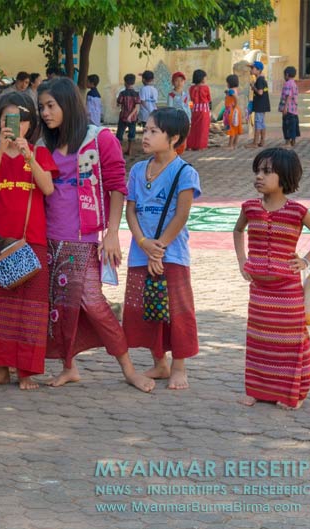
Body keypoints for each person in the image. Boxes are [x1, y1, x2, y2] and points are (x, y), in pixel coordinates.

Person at [37, 78, 154, 392]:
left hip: (84, 238)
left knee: (93, 301)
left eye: (51, 105)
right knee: (59, 305)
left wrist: (113, 233)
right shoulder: (43, 143)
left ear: (68, 104)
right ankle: (69, 366)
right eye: (42, 107)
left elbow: (117, 186)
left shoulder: (98, 138)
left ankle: (128, 368)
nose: (45, 113)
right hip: (48, 237)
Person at [233, 148, 310, 409]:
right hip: (259, 291)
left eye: (267, 171)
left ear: (285, 176)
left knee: (289, 342)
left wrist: (306, 260)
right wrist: (242, 260)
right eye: (257, 171)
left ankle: (289, 393)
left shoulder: (297, 211)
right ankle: (255, 389)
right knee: (258, 340)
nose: (259, 176)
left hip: (287, 291)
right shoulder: (250, 208)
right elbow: (237, 230)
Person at [0, 93, 57, 390]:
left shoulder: (40, 154)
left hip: (31, 240)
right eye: (9, 119)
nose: (15, 125)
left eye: (21, 119)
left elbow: (47, 188)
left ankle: (27, 371)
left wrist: (28, 156)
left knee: (31, 308)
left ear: (28, 124)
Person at [123, 107, 200, 390]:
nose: (146, 134)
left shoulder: (185, 172)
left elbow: (181, 215)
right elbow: (130, 211)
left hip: (173, 253)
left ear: (174, 137)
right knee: (148, 308)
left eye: (154, 131)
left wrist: (160, 249)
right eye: (146, 128)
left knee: (177, 311)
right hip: (141, 251)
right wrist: (144, 244)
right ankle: (160, 362)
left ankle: (179, 366)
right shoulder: (137, 170)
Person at [245, 61, 270, 148]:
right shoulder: (262, 80)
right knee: (262, 123)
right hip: (263, 105)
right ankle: (262, 141)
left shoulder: (259, 80)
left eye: (252, 68)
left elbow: (260, 92)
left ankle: (255, 143)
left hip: (260, 106)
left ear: (258, 70)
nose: (250, 70)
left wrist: (253, 87)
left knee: (258, 123)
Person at [116, 73, 140, 156]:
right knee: (132, 134)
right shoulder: (136, 94)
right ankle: (129, 150)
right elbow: (136, 107)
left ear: (125, 82)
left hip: (123, 116)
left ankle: (119, 150)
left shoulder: (122, 93)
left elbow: (118, 103)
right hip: (133, 118)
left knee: (120, 134)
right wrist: (131, 116)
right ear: (133, 83)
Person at [186, 69, 211, 150]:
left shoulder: (191, 88)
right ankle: (201, 146)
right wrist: (210, 110)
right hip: (204, 110)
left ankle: (191, 145)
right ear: (202, 78)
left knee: (194, 128)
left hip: (195, 110)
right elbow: (209, 99)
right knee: (203, 128)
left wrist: (191, 109)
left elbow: (190, 100)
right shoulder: (206, 87)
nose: (205, 79)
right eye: (205, 77)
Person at [167, 71, 190, 155]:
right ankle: (175, 149)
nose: (179, 83)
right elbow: (170, 107)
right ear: (173, 82)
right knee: (176, 134)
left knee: (184, 133)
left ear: (184, 82)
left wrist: (189, 118)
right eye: (177, 80)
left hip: (185, 117)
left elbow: (187, 106)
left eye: (181, 80)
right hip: (175, 118)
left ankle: (182, 148)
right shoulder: (171, 95)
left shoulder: (186, 94)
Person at [280, 66, 300, 147]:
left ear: (287, 75)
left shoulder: (287, 84)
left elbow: (288, 95)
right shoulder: (294, 84)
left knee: (287, 125)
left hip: (288, 109)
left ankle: (287, 142)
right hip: (294, 110)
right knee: (293, 125)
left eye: (284, 75)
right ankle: (293, 141)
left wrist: (285, 107)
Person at [223, 74, 244, 149]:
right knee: (236, 127)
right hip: (236, 109)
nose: (227, 84)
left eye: (227, 83)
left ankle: (230, 145)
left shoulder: (231, 91)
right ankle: (235, 144)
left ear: (230, 83)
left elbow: (235, 97)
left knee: (231, 127)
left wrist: (235, 104)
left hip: (231, 110)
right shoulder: (236, 89)